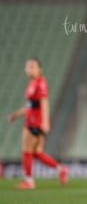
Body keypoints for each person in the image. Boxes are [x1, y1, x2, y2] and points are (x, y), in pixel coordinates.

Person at [8, 58, 68, 189]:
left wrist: (46, 121)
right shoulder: (32, 83)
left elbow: (44, 102)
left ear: (40, 69)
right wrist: (16, 115)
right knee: (37, 152)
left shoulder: (40, 83)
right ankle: (60, 169)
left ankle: (29, 181)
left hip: (34, 122)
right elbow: (30, 106)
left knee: (27, 151)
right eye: (28, 66)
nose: (30, 69)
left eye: (32, 66)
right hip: (34, 120)